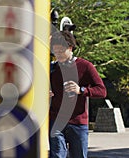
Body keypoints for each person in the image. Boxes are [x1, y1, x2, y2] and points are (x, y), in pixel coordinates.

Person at [49, 30, 107, 158]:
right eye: (55, 52)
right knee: (57, 155)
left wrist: (81, 90)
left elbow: (102, 91)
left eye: (60, 52)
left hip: (78, 122)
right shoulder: (52, 68)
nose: (57, 55)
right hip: (56, 120)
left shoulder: (85, 66)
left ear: (70, 48)